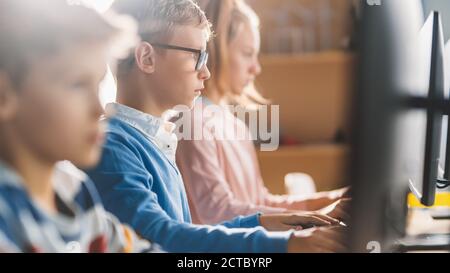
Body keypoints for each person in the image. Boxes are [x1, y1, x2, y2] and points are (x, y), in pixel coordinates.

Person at [85, 0, 347, 253]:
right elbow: (162, 237)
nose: (206, 72)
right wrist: (283, 245)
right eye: (197, 56)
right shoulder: (113, 146)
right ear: (147, 58)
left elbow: (184, 232)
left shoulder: (154, 141)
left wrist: (263, 222)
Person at [175, 0, 350, 225]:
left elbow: (259, 200)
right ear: (217, 51)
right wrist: (314, 216)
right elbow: (216, 211)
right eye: (247, 54)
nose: (256, 68)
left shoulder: (233, 124)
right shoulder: (192, 122)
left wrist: (333, 199)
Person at [0, 0, 156, 253]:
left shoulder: (73, 189)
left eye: (97, 86)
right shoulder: (7, 219)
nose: (100, 109)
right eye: (78, 85)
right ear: (5, 95)